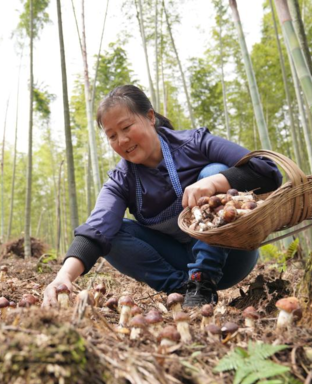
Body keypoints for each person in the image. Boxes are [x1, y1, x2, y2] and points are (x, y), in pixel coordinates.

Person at [42, 85, 282, 308]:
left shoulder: (195, 143)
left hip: (232, 253)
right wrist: (63, 276)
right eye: (112, 136)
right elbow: (96, 229)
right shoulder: (121, 179)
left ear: (150, 117)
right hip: (178, 262)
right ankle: (183, 290)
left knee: (212, 170)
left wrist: (213, 182)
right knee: (110, 230)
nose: (122, 140)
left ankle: (202, 281)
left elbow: (268, 170)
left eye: (126, 128)